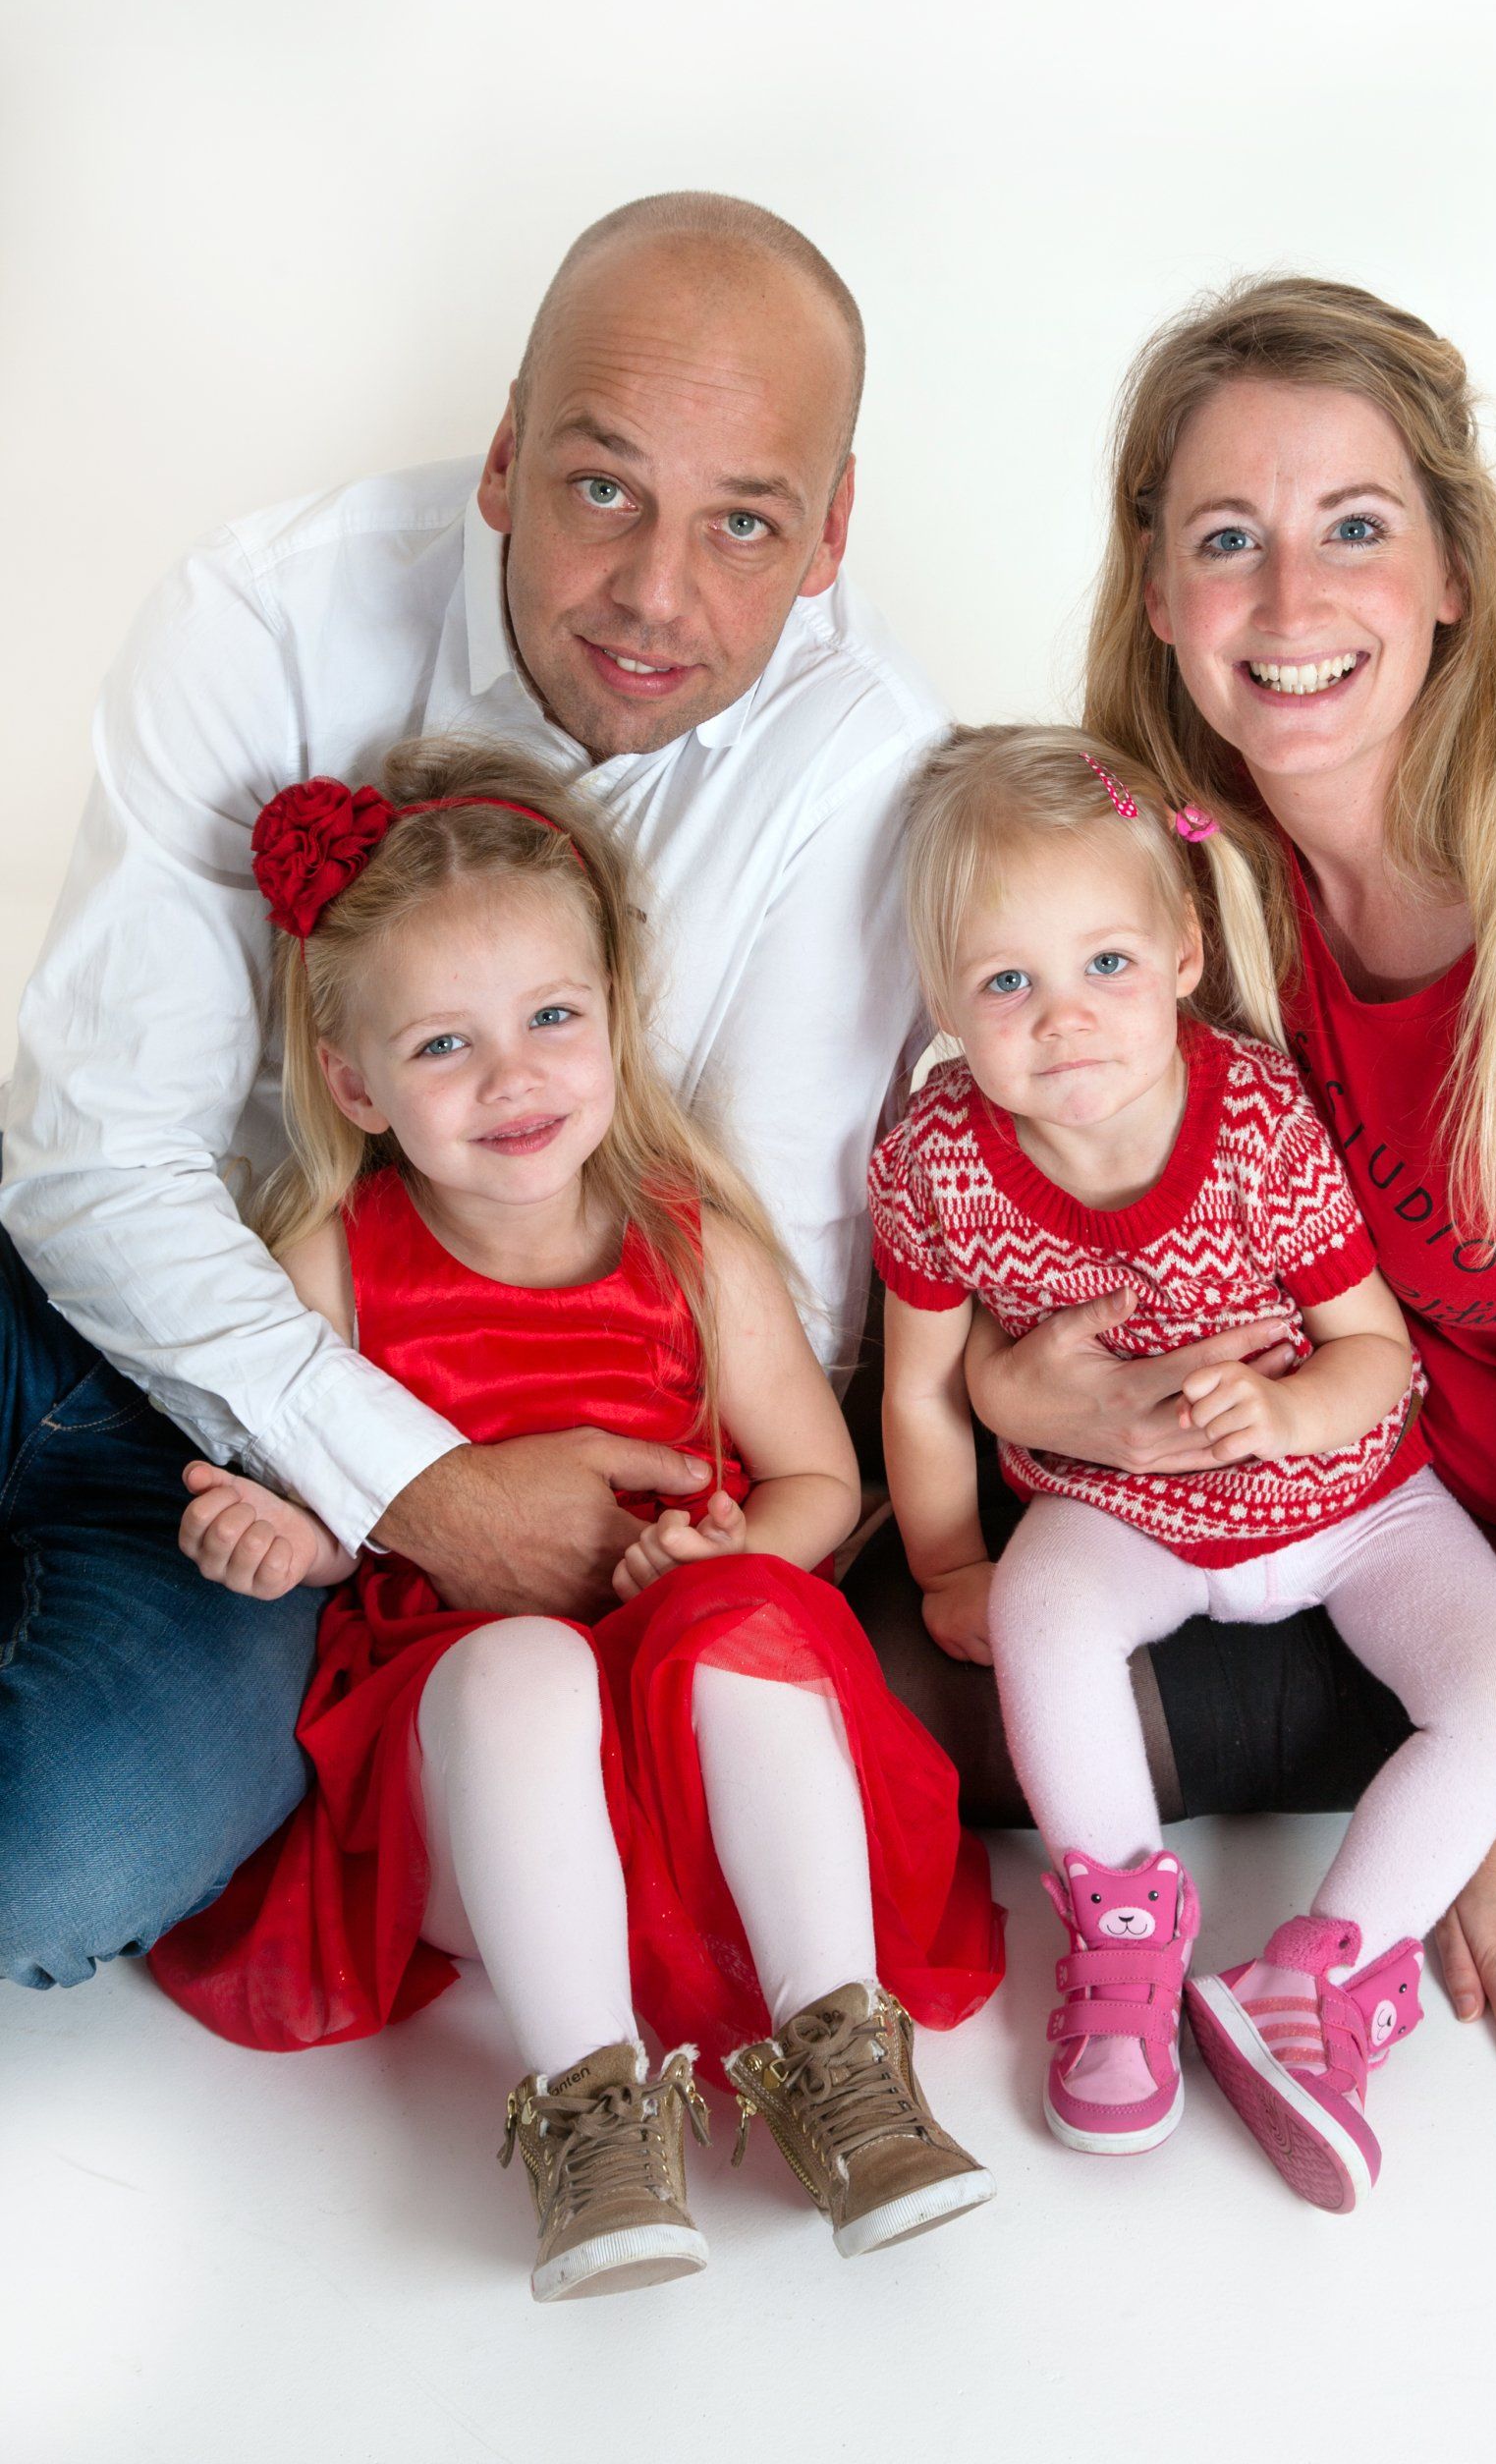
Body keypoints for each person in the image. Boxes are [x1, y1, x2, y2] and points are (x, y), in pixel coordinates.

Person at [855, 275, 1496, 2114]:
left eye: (1354, 528)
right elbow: (1074, 1212)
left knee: (900, 1712)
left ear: (1454, 567)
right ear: (1159, 594)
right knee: (850, 1548)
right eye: (1231, 539)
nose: (1290, 604)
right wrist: (1008, 1389)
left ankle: (1282, 1981)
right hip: (1264, 1447)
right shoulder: (1202, 851)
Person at [0, 192, 945, 1993]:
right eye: (603, 487)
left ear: (829, 535)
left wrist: (482, 1522)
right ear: (506, 457)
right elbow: (94, 1161)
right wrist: (410, 1479)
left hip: (295, 1510)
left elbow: (769, 1288)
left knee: (62, 1863)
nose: (656, 593)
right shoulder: (265, 615)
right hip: (129, 1314)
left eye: (745, 523)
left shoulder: (867, 757)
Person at [147, 737, 1001, 2300]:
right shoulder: (335, 1261)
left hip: (706, 1796)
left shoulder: (696, 1248)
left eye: (552, 1018)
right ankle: (590, 2107)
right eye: (445, 1045)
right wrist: (290, 1539)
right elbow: (330, 1505)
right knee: (523, 1663)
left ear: (614, 1016)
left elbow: (820, 1485)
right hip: (481, 1797)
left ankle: (842, 2053)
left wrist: (732, 1556)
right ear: (353, 1082)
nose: (513, 1078)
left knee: (744, 1620)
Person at [866, 725, 1496, 2208]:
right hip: (1121, 1505)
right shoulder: (936, 1161)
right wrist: (947, 1562)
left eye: (1107, 965)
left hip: (1352, 1501)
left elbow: (1372, 1345)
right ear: (940, 1000)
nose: (1065, 1021)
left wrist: (1294, 1417)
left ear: (1184, 953)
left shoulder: (1251, 1117)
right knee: (1043, 1616)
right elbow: (921, 1391)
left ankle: (1322, 1976)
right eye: (1007, 984)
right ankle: (1122, 1931)